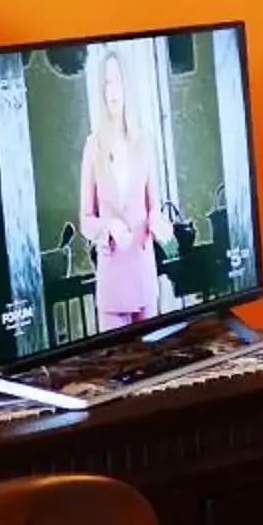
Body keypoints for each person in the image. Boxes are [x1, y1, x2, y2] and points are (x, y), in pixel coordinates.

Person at [78, 44, 168, 332]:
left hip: (142, 273)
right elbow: (85, 221)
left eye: (118, 82)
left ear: (128, 87)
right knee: (115, 368)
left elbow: (154, 207)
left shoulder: (144, 143)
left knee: (157, 362)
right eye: (107, 83)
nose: (113, 91)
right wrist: (108, 227)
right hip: (112, 280)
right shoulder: (94, 146)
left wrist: (158, 223)